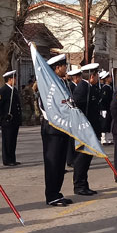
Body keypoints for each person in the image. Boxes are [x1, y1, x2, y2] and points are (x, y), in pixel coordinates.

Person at [40, 54, 73, 206]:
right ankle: (51, 195)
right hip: (52, 129)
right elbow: (43, 105)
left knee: (60, 163)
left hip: (63, 128)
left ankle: (57, 193)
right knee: (53, 163)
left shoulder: (62, 83)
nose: (66, 68)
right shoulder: (48, 84)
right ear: (57, 68)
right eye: (64, 66)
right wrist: (55, 119)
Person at [69, 63, 101, 195]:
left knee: (87, 159)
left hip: (90, 129)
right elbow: (76, 109)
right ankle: (79, 186)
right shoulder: (82, 88)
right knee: (82, 159)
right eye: (97, 74)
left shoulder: (90, 87)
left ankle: (84, 184)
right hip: (83, 130)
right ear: (92, 76)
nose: (98, 77)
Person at [0, 70, 22, 166]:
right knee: (7, 141)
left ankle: (12, 158)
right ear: (10, 79)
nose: (16, 80)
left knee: (13, 140)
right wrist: (4, 115)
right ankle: (7, 159)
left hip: (14, 121)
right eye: (14, 78)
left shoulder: (13, 90)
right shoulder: (3, 91)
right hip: (7, 121)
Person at [99, 71, 114, 145]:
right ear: (106, 79)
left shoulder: (109, 87)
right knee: (104, 124)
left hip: (108, 108)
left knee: (108, 123)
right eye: (109, 77)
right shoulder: (105, 88)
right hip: (105, 108)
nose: (111, 78)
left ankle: (107, 138)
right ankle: (103, 139)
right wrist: (103, 109)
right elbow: (103, 99)